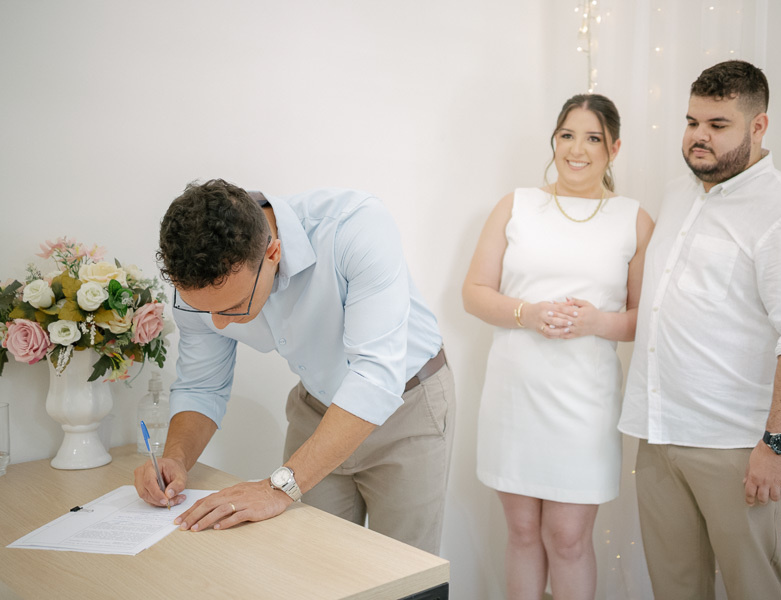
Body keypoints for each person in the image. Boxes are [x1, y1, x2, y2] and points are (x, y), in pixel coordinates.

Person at [619, 60, 781, 599]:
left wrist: (778, 446)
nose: (699, 136)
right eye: (692, 121)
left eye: (718, 125)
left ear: (758, 126)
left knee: (754, 588)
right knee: (674, 588)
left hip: (736, 447)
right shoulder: (678, 193)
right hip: (658, 433)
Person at [133, 180, 455, 555]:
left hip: (407, 409)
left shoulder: (355, 225)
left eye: (233, 307)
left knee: (403, 567)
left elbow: (374, 378)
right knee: (307, 562)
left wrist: (276, 488)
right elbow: (201, 386)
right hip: (316, 407)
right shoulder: (199, 280)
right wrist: (176, 458)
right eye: (205, 311)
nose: (218, 324)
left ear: (273, 253)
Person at [463, 94, 654, 599]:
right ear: (554, 140)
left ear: (614, 148)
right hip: (515, 394)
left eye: (592, 138)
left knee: (567, 538)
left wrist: (597, 322)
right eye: (567, 135)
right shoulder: (516, 205)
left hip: (584, 401)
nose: (576, 149)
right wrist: (527, 313)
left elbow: (647, 319)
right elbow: (474, 292)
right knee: (523, 531)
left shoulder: (634, 219)